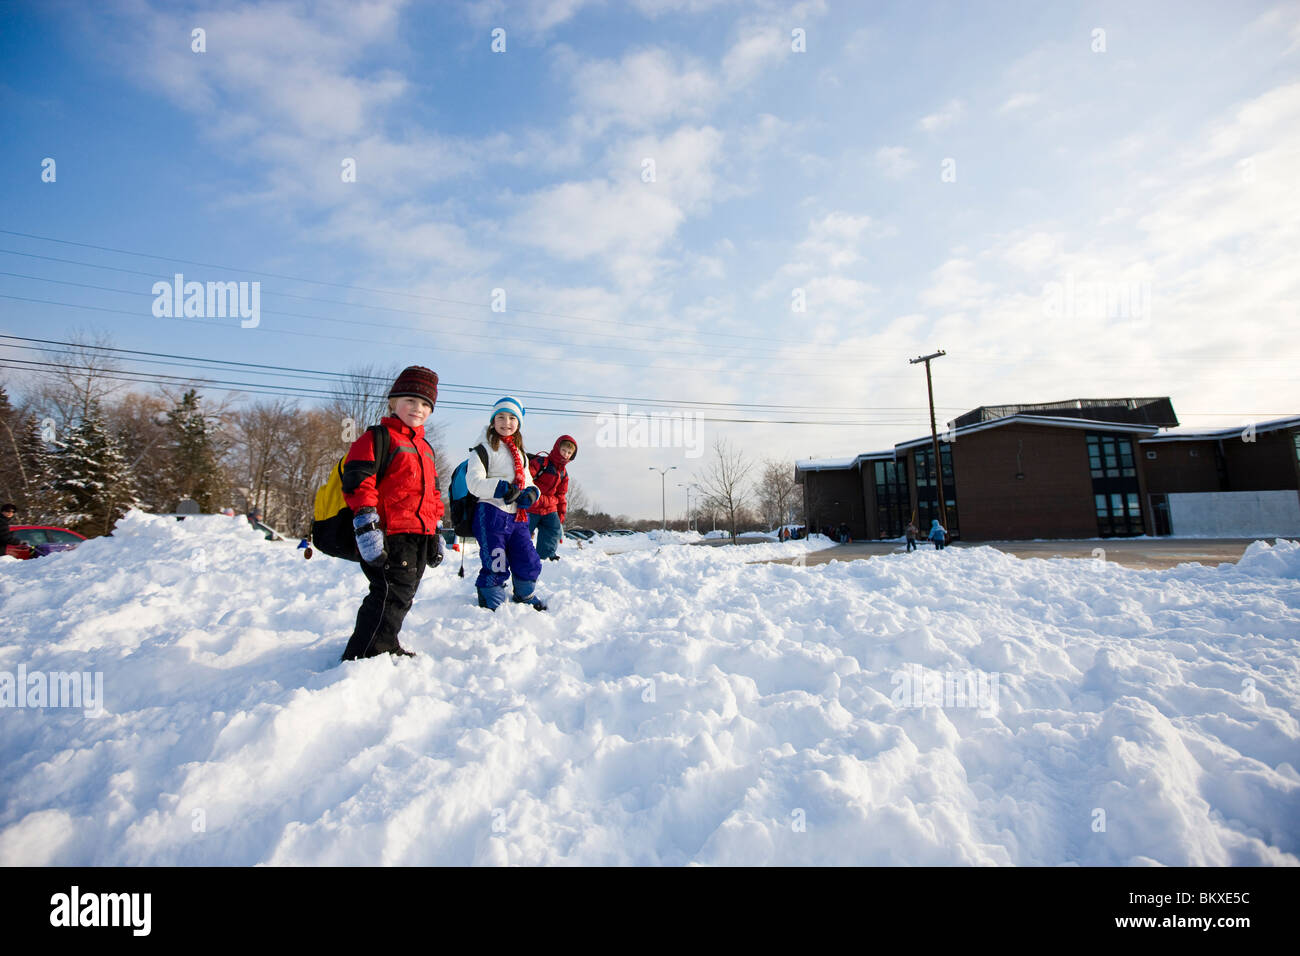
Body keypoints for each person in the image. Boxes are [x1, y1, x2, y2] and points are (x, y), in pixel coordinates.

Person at [338, 365, 445, 662]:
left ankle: (385, 642)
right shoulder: (377, 438)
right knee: (388, 594)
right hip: (392, 534)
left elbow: (434, 493)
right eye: (410, 400)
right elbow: (359, 480)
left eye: (425, 404)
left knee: (403, 594)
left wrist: (436, 529)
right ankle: (364, 654)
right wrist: (366, 523)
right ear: (393, 402)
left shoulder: (425, 448)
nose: (418, 408)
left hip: (420, 534)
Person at [465, 397, 547, 611]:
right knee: (496, 560)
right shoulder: (482, 449)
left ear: (518, 423)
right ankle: (490, 596)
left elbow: (530, 482)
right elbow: (473, 483)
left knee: (527, 557)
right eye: (500, 416)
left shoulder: (521, 454)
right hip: (491, 513)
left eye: (512, 418)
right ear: (493, 421)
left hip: (518, 516)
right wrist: (502, 488)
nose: (506, 422)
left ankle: (524, 593)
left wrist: (531, 494)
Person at [525, 435, 577, 561]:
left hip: (549, 508)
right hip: (532, 505)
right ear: (557, 448)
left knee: (553, 528)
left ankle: (546, 556)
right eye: (564, 450)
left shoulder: (563, 473)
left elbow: (561, 495)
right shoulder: (542, 463)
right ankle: (520, 555)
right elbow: (526, 478)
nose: (565, 454)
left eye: (569, 453)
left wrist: (560, 516)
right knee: (523, 532)